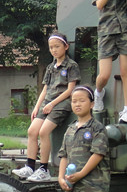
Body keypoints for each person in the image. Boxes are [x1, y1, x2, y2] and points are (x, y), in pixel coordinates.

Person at [12, 32, 80, 182]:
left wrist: (52, 104)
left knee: (43, 132)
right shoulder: (50, 67)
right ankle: (30, 167)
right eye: (51, 47)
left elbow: (70, 90)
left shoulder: (71, 66)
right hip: (47, 103)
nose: (54, 50)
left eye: (57, 46)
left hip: (62, 103)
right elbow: (45, 89)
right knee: (32, 131)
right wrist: (37, 107)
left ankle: (43, 169)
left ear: (66, 47)